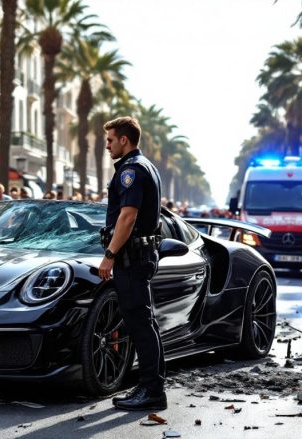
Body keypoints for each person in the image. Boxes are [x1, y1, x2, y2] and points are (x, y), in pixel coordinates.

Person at [97, 116, 166, 411]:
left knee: (140, 324)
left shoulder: (132, 170)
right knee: (144, 323)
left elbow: (128, 216)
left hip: (131, 257)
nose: (107, 146)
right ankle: (151, 386)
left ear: (124, 139)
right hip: (139, 255)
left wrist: (109, 255)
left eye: (110, 140)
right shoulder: (144, 166)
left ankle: (151, 391)